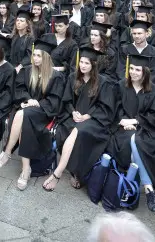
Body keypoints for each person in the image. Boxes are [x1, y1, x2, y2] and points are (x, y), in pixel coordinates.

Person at [0, 38, 65, 190]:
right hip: (27, 108)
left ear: (46, 58)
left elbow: (55, 100)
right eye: (34, 55)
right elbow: (18, 90)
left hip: (44, 112)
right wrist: (28, 99)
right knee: (24, 118)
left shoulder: (56, 76)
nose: (35, 59)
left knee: (21, 115)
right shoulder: (27, 70)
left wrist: (37, 103)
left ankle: (7, 152)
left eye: (39, 56)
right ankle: (26, 170)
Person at [44, 46, 117, 191]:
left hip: (94, 121)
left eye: (86, 63)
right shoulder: (73, 77)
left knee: (78, 132)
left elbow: (105, 107)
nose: (82, 66)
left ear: (94, 65)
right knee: (66, 131)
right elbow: (66, 101)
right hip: (74, 118)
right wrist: (73, 112)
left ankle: (58, 173)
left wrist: (88, 115)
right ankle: (74, 172)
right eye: (81, 62)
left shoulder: (103, 82)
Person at [107, 54, 155, 212]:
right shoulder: (120, 85)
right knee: (132, 141)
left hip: (147, 130)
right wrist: (122, 121)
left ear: (145, 72)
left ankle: (128, 189)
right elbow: (112, 109)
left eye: (137, 69)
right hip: (121, 128)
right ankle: (149, 190)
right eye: (131, 68)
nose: (133, 72)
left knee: (136, 140)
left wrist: (134, 121)